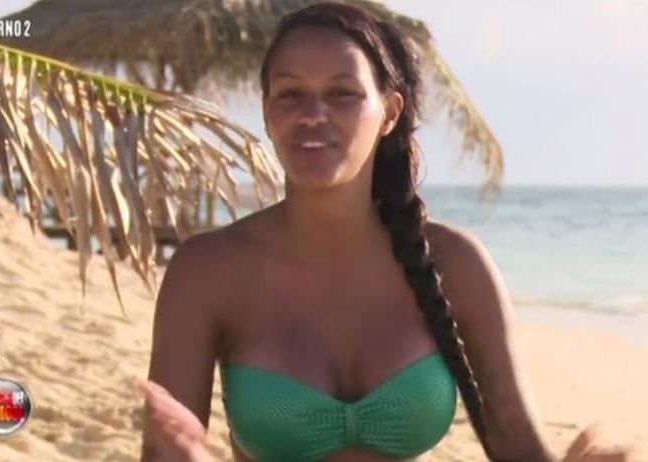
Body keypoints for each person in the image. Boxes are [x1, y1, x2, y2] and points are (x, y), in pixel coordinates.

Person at [136, 3, 632, 461]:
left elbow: (517, 445)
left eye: (342, 93)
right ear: (267, 112)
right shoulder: (208, 271)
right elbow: (165, 452)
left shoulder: (454, 263)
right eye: (290, 94)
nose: (313, 114)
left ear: (390, 113)